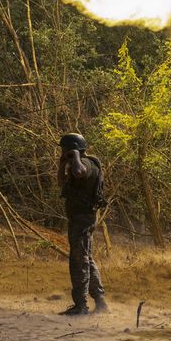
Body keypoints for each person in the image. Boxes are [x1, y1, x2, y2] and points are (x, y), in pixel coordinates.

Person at [58, 133, 108, 316]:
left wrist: (76, 156)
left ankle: (81, 306)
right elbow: (62, 183)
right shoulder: (76, 164)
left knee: (78, 261)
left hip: (82, 220)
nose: (63, 152)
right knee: (86, 259)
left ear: (74, 148)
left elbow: (80, 172)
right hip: (79, 218)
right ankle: (100, 301)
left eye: (65, 149)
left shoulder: (86, 164)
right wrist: (62, 163)